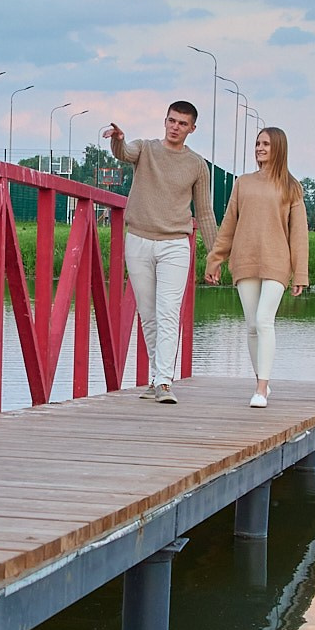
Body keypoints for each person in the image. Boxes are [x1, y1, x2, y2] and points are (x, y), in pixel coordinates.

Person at [104, 100, 218, 405]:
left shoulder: (197, 165)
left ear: (192, 128)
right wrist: (118, 139)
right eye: (171, 121)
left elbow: (204, 213)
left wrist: (215, 254)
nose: (175, 127)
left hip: (175, 244)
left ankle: (165, 382)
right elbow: (124, 152)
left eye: (182, 123)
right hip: (139, 239)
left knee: (169, 313)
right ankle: (157, 376)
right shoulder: (146, 149)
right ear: (164, 121)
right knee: (149, 314)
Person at [203, 125, 308, 408]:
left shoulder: (291, 187)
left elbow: (299, 234)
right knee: (251, 326)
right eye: (257, 144)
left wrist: (300, 273)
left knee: (264, 320)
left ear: (278, 149)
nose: (260, 148)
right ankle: (261, 380)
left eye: (266, 144)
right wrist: (215, 258)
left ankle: (262, 389)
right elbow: (229, 225)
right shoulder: (243, 183)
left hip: (277, 261)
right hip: (245, 260)